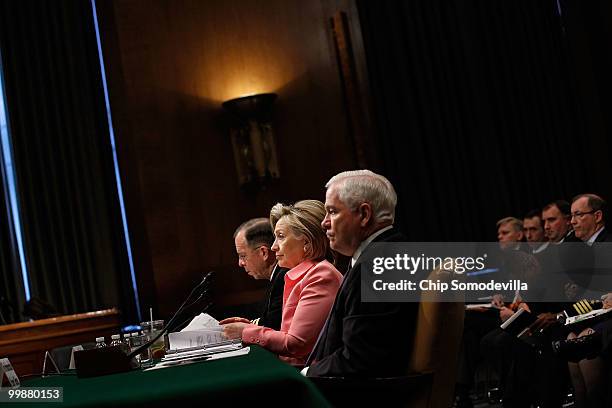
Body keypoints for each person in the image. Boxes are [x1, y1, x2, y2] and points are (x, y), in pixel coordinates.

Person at [305, 170, 417, 377]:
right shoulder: (390, 252)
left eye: (332, 211)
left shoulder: (377, 267)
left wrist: (305, 374)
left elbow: (359, 362)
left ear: (364, 215)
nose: (324, 223)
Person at [221, 200, 342, 367]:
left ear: (306, 243)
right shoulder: (302, 274)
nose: (273, 247)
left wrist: (245, 331)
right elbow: (285, 332)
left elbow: (295, 344)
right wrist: (247, 326)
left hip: (311, 376)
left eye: (281, 236)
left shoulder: (321, 275)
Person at [231, 218, 288, 330]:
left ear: (263, 252)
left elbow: (272, 327)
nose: (240, 263)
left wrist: (244, 328)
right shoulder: (277, 276)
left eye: (243, 256)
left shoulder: (283, 278)